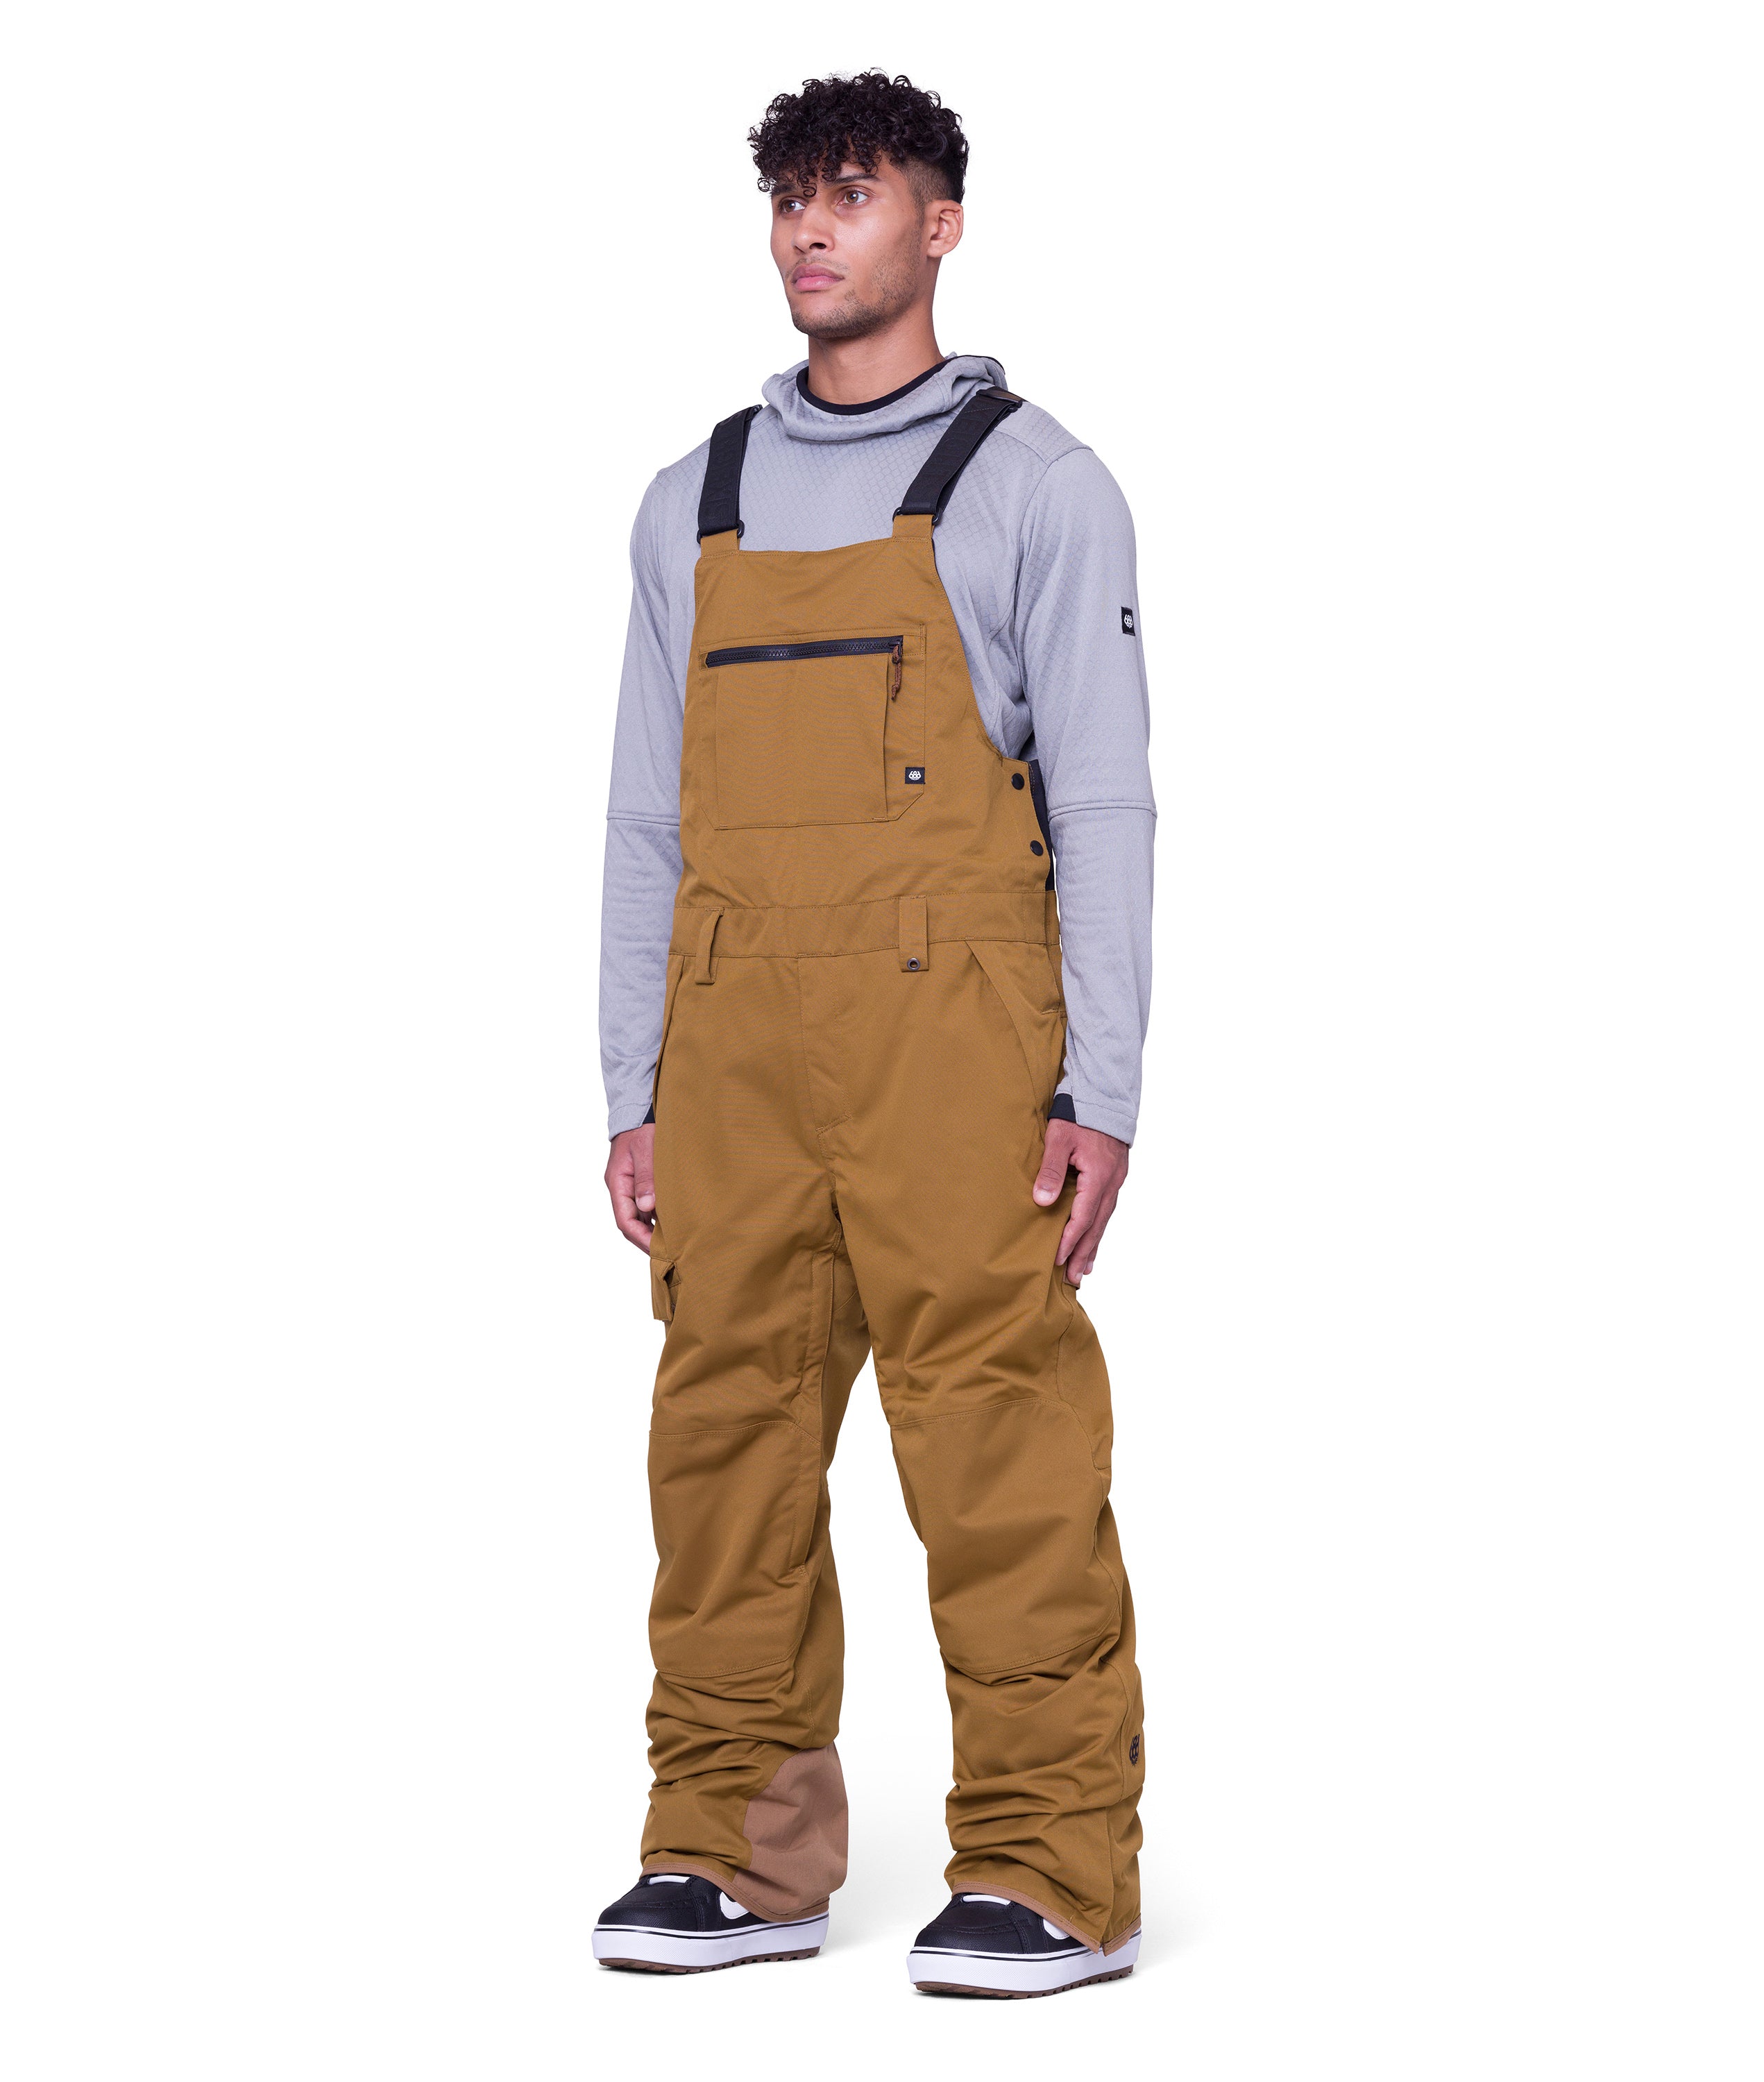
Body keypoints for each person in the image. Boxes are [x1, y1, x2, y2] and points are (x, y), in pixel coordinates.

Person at [589, 71, 1155, 1999]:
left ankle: (1052, 1869)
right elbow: (646, 818)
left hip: (956, 1038)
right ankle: (732, 1856)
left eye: (855, 194)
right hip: (733, 1037)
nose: (812, 231)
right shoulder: (694, 502)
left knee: (996, 1442)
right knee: (722, 1444)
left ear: (942, 223)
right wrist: (634, 1081)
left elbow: (1106, 802)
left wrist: (1102, 1085)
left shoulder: (1038, 486)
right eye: (791, 199)